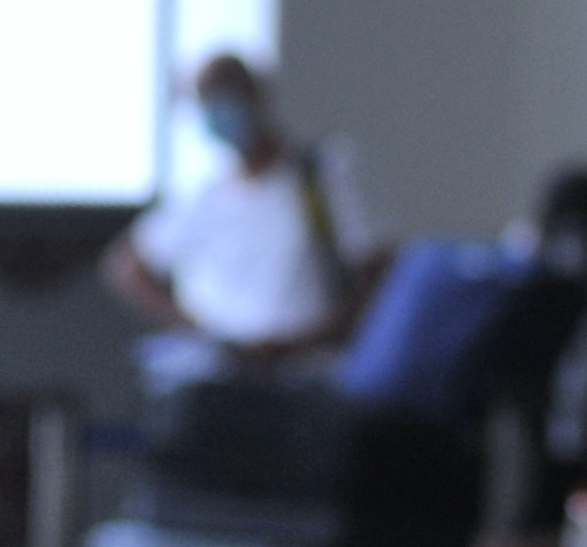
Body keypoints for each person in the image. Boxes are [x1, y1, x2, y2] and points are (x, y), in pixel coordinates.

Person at [101, 54, 392, 374]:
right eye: (207, 100)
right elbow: (128, 267)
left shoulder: (321, 176)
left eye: (227, 94)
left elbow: (377, 272)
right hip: (221, 376)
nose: (219, 109)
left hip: (310, 372)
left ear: (257, 94)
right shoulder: (203, 198)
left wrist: (306, 341)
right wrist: (202, 333)